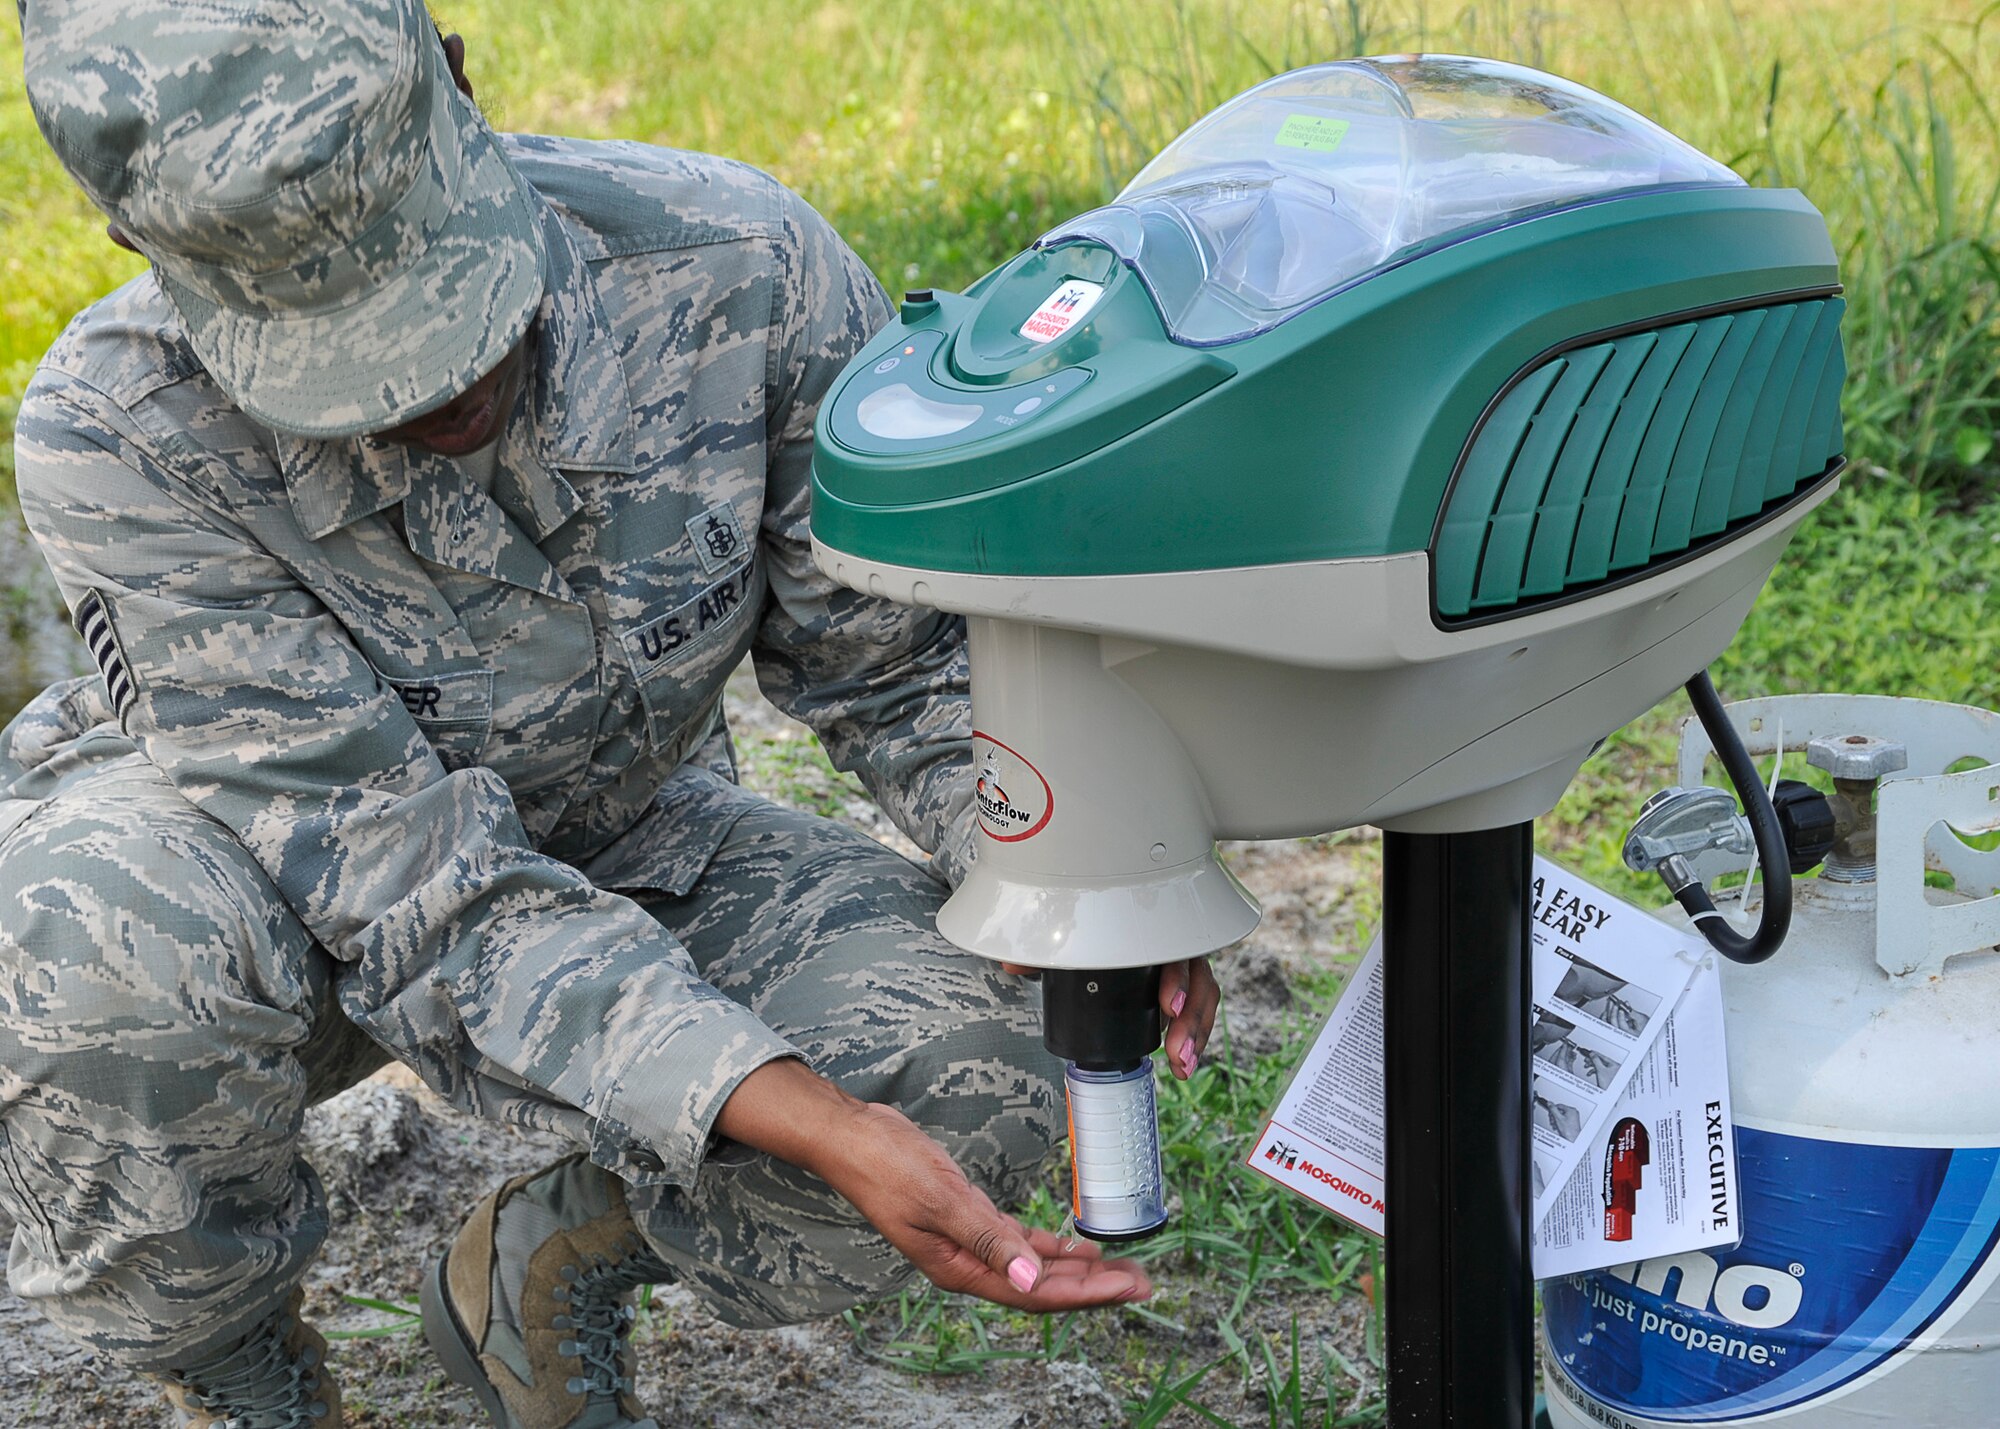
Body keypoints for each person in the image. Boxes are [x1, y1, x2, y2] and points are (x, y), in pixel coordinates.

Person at [0, 4, 1222, 1426]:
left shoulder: (736, 272)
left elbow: (900, 667)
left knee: (977, 1057)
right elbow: (404, 884)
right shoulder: (117, 433)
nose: (435, 387)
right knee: (93, 965)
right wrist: (805, 1113)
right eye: (332, 351)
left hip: (605, 837)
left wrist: (1073, 883)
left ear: (460, 78)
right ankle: (238, 1365)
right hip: (255, 886)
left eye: (437, 289)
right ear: (145, 251)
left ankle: (553, 1252)